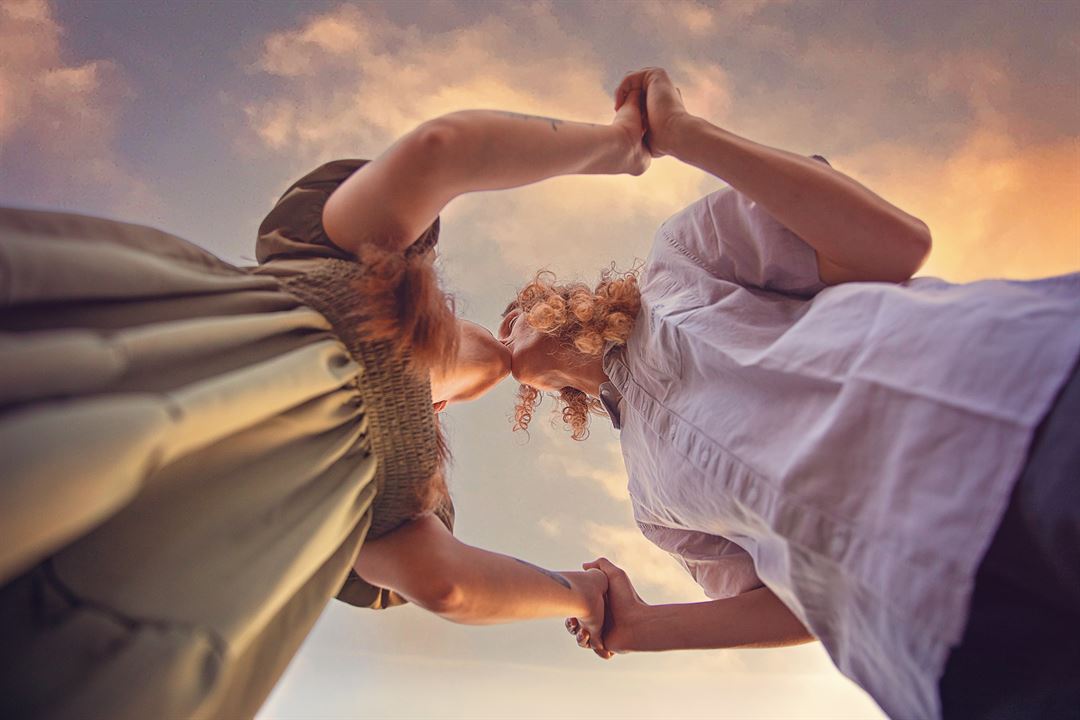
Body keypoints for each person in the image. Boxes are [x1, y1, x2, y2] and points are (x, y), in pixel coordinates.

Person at [0, 91, 652, 719]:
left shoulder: (406, 489)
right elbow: (441, 148)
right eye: (515, 317)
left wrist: (583, 595)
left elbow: (447, 585)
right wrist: (617, 142)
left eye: (560, 389)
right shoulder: (356, 262)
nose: (510, 346)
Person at [499, 68, 1080, 719]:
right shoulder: (649, 503)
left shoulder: (679, 264)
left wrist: (686, 135)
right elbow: (789, 606)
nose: (500, 335)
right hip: (944, 644)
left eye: (510, 315)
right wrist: (640, 628)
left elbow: (893, 245)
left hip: (1024, 415)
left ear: (550, 301)